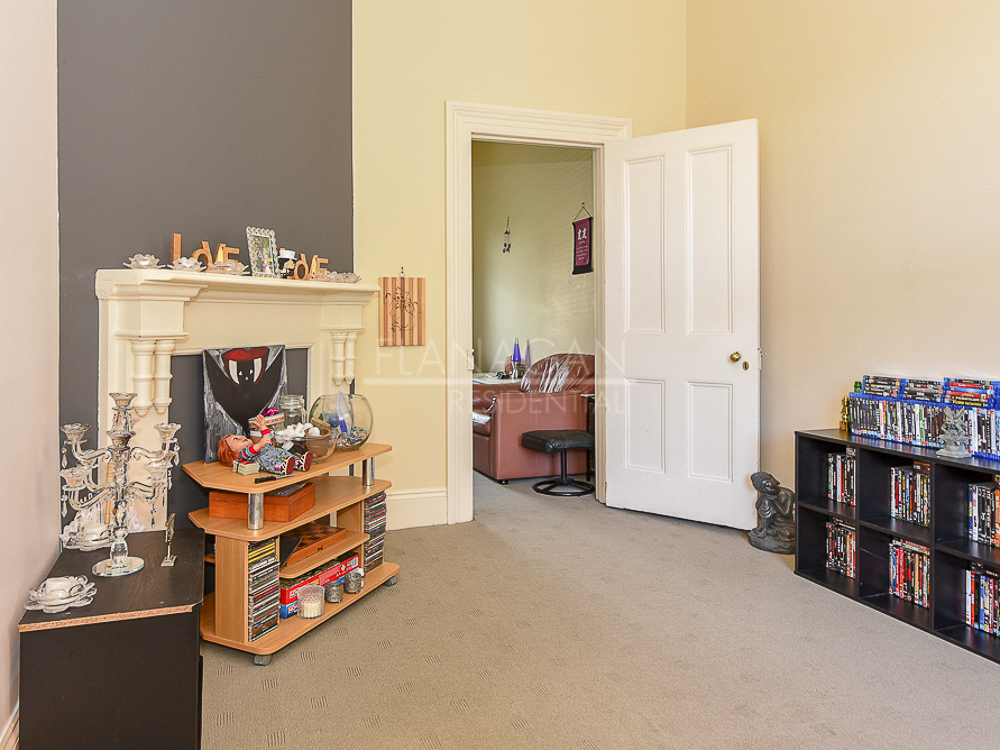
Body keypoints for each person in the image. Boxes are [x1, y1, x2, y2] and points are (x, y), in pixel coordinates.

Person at [217, 414, 312, 475]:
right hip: (266, 460)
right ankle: (281, 468)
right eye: (235, 439)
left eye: (238, 435)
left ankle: (299, 463)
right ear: (231, 452)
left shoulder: (260, 447)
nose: (240, 437)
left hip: (277, 453)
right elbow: (250, 451)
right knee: (269, 463)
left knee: (286, 454)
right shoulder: (243, 454)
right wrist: (259, 445)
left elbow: (269, 440)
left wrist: (263, 427)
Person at [748, 471, 795, 554]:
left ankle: (771, 532)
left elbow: (786, 514)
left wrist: (775, 501)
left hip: (785, 524)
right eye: (763, 489)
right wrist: (763, 496)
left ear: (772, 478)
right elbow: (757, 507)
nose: (768, 489)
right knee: (766, 501)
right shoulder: (766, 495)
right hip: (771, 523)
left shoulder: (788, 493)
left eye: (767, 484)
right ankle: (765, 529)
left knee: (788, 533)